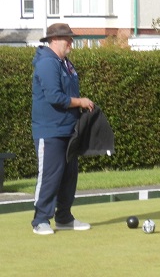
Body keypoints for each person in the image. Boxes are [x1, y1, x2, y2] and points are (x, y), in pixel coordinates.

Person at [31, 23, 95, 235]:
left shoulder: (65, 63)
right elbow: (55, 97)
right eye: (67, 39)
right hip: (50, 130)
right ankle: (40, 220)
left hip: (68, 129)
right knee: (50, 176)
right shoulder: (47, 63)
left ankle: (65, 218)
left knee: (69, 176)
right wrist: (81, 102)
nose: (71, 42)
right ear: (54, 40)